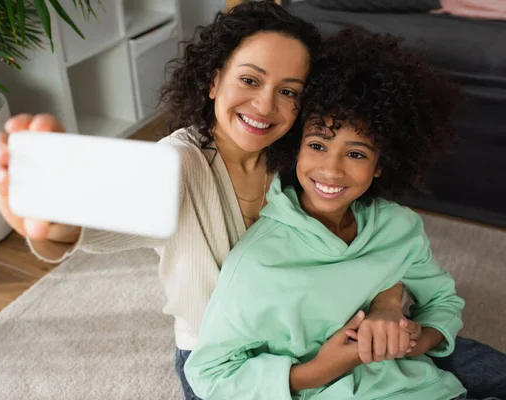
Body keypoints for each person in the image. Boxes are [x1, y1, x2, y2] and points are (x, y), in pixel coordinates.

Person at [0, 2, 504, 399]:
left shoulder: (299, 156)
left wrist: (392, 300)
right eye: (251, 80)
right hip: (230, 363)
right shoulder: (182, 164)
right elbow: (85, 224)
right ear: (214, 79)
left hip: (338, 329)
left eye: (289, 91)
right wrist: (42, 220)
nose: (264, 104)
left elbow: (374, 248)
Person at [184, 28, 503, 400]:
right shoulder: (258, 262)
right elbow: (209, 375)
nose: (332, 171)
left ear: (381, 164)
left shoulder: (397, 227)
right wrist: (320, 369)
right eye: (317, 145)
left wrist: (410, 336)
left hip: (427, 387)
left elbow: (443, 301)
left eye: (356, 154)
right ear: (295, 148)